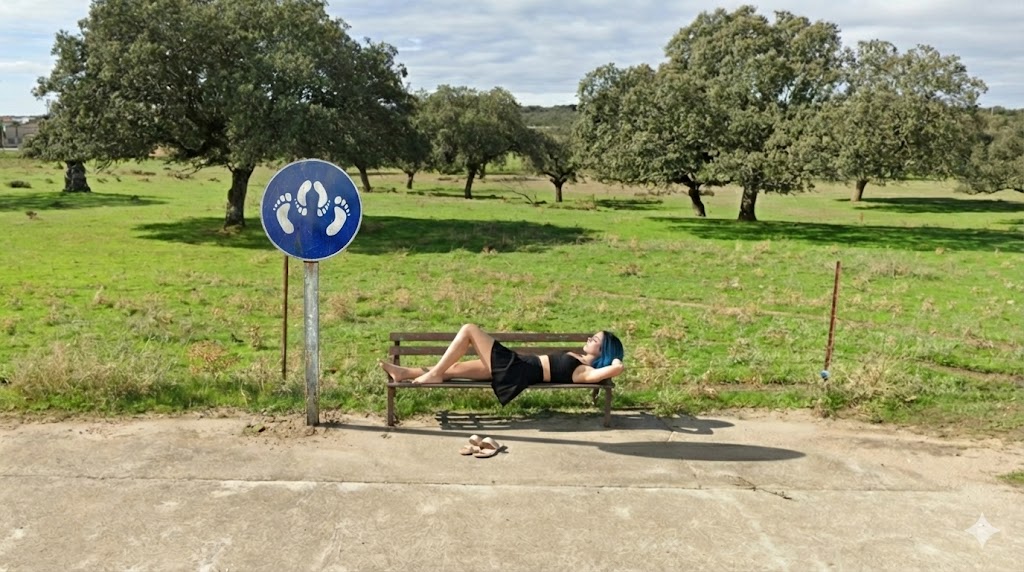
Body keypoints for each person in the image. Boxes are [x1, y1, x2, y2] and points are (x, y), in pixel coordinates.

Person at [379, 323, 625, 406]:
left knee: (469, 329)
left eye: (595, 339)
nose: (589, 338)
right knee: (451, 370)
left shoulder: (585, 371)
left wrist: (616, 362)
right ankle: (403, 373)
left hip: (515, 370)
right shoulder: (580, 361)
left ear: (603, 350)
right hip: (517, 366)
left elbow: (616, 369)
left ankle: (431, 374)